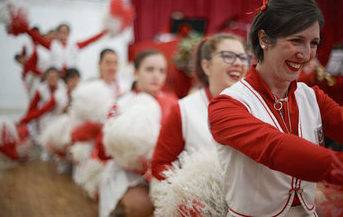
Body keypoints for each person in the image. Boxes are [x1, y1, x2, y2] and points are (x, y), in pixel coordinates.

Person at [208, 0, 343, 217]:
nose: (306, 55)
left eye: (314, 43)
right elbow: (276, 149)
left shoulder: (312, 97)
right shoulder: (226, 106)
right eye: (296, 40)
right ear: (264, 39)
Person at [151, 33, 248, 180]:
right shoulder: (184, 110)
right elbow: (160, 164)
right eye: (228, 56)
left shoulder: (255, 105)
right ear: (206, 66)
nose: (238, 63)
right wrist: (194, 188)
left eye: (242, 57)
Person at [95, 49, 177, 217]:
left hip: (163, 173)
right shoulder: (121, 104)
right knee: (142, 205)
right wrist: (128, 153)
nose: (156, 76)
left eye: (161, 71)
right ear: (135, 72)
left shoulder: (173, 103)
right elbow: (103, 151)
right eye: (149, 69)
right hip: (126, 172)